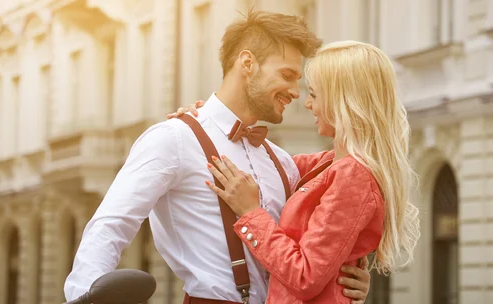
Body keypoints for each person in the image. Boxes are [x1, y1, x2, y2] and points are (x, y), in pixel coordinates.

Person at [64, 11, 371, 304]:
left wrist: (350, 277)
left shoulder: (281, 162)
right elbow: (112, 224)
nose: (296, 92)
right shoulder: (174, 139)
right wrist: (84, 296)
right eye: (287, 75)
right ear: (247, 63)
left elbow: (314, 241)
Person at [169, 40, 421, 303]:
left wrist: (251, 213)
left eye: (314, 94)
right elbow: (254, 160)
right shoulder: (327, 164)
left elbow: (305, 277)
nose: (308, 104)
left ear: (341, 100)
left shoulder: (352, 176)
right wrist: (205, 122)